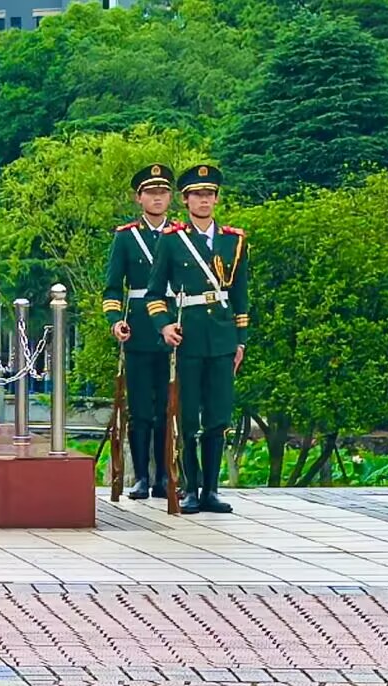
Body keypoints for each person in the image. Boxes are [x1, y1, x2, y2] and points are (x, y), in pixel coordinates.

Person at [149, 164, 248, 515]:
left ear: (216, 199)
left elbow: (240, 295)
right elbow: (154, 293)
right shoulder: (172, 240)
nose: (204, 200)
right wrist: (164, 326)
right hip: (188, 334)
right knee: (189, 417)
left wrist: (241, 340)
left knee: (218, 417)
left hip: (221, 337)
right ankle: (190, 487)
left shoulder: (234, 240)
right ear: (186, 200)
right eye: (197, 195)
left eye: (209, 195)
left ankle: (211, 490)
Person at [102, 164, 178, 500]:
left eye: (163, 192)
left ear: (170, 198)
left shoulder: (180, 235)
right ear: (139, 198)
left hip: (173, 327)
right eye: (151, 193)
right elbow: (111, 287)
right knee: (140, 409)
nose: (157, 198)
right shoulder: (126, 237)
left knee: (168, 408)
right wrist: (115, 320)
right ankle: (142, 478)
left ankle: (164, 477)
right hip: (138, 329)